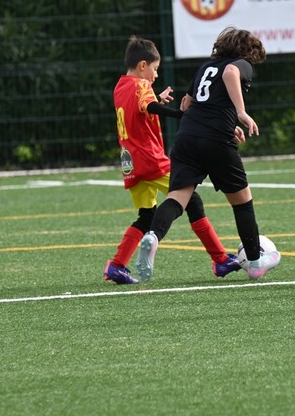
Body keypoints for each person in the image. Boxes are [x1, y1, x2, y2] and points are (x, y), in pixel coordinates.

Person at [134, 26, 281, 282]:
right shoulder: (240, 64)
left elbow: (187, 104)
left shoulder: (205, 67)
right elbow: (231, 72)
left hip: (186, 137)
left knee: (177, 197)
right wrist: (240, 113)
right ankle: (255, 262)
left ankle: (153, 235)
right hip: (215, 140)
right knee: (242, 201)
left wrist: (226, 122)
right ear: (247, 51)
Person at [104, 36, 242, 284]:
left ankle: (116, 265)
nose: (156, 75)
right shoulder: (141, 85)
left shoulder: (120, 86)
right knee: (192, 200)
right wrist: (181, 114)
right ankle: (220, 259)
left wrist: (156, 98)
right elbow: (150, 107)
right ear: (143, 65)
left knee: (146, 216)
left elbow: (140, 109)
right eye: (155, 69)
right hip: (151, 159)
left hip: (130, 163)